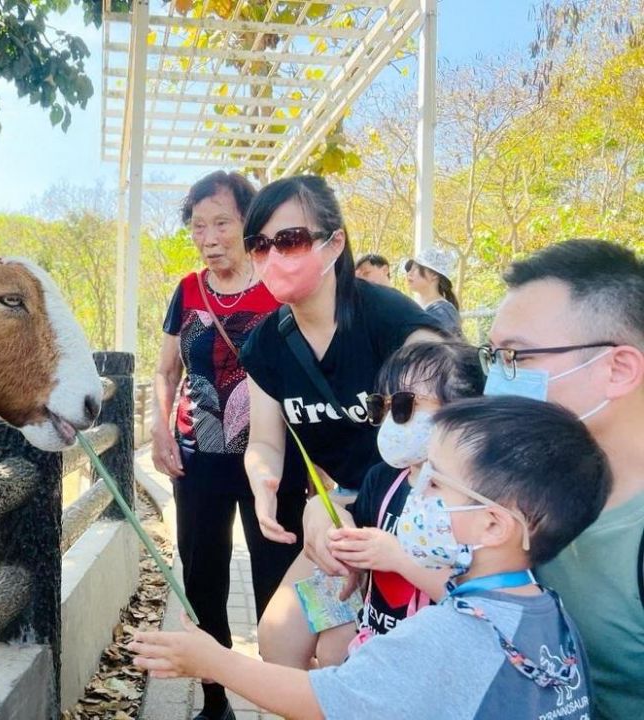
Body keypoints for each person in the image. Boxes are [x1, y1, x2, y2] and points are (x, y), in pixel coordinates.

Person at [130, 396, 610, 720]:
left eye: (436, 483)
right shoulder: (553, 614)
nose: (418, 493)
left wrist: (213, 660)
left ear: (493, 525)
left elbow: (324, 703)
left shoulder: (448, 634)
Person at [236, 175, 443, 668]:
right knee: (279, 640)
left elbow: (453, 433)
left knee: (338, 654)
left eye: (290, 240)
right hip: (341, 517)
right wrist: (266, 481)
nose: (275, 256)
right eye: (260, 245)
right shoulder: (266, 345)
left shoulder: (395, 324)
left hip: (416, 519)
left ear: (334, 243)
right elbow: (265, 440)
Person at [151, 170, 300, 720]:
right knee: (203, 579)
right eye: (198, 226)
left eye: (221, 223)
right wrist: (160, 426)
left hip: (274, 464)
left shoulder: (279, 287)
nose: (208, 237)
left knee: (278, 582)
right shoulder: (187, 291)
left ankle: (282, 696)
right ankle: (215, 703)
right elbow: (166, 370)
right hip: (198, 458)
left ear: (249, 223)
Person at [483, 238, 644, 719]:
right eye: (491, 358)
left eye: (518, 358)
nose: (497, 381)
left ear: (618, 369)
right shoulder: (517, 482)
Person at [323, 341, 485, 655]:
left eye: (403, 405)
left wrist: (398, 557)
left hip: (437, 661)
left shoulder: (478, 500)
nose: (390, 421)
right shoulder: (382, 478)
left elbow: (480, 602)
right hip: (376, 648)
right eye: (380, 407)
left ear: (465, 409)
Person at [405, 246, 465, 339]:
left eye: (415, 269)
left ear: (434, 275)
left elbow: (445, 351)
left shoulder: (443, 312)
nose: (409, 274)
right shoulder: (428, 309)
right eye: (409, 270)